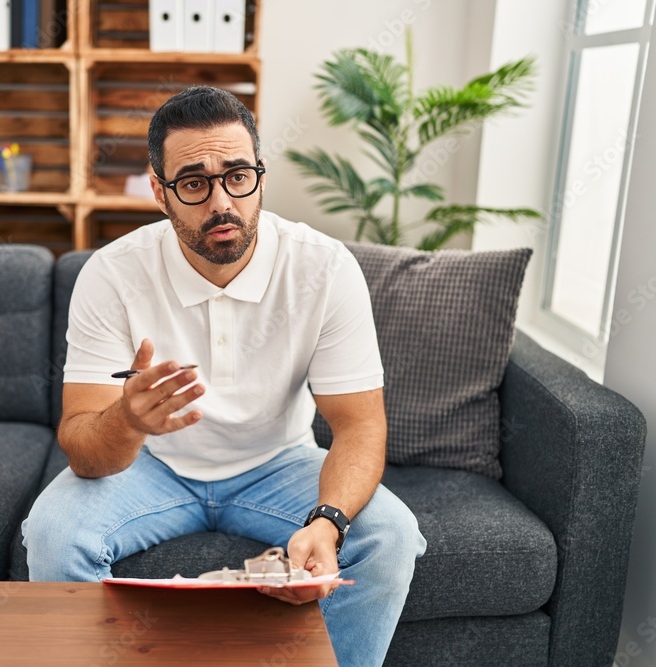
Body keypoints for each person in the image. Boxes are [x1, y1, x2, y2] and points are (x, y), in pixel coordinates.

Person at [22, 85, 426, 665]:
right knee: (55, 535)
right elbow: (86, 452)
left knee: (389, 537)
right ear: (160, 192)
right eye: (194, 183)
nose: (222, 204)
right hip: (151, 469)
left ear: (260, 175)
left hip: (280, 463)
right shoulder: (111, 275)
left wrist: (329, 521)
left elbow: (359, 426)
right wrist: (126, 421)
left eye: (238, 175)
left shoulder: (325, 268)